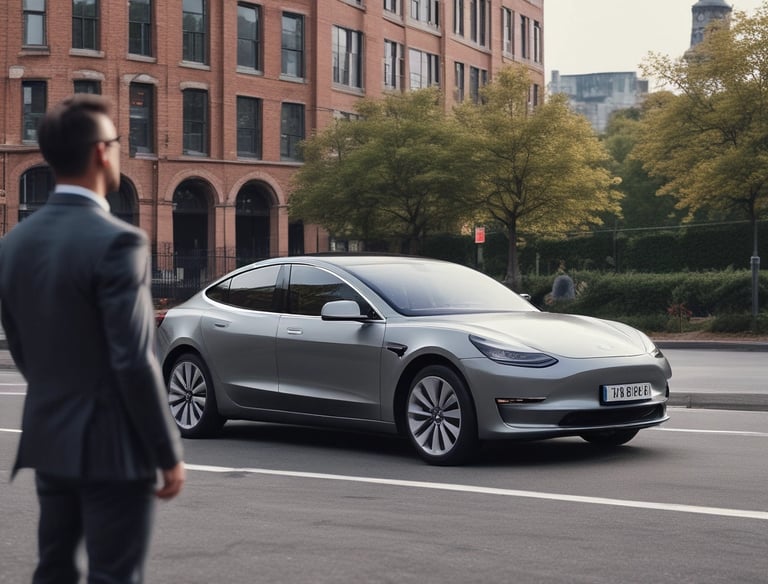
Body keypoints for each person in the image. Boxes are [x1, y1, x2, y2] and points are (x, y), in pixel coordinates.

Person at [0, 94, 185, 584]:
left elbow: (19, 342)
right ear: (103, 152)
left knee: (54, 570)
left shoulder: (13, 244)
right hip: (113, 447)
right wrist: (166, 453)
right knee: (115, 575)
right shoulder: (119, 240)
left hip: (49, 437)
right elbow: (134, 360)